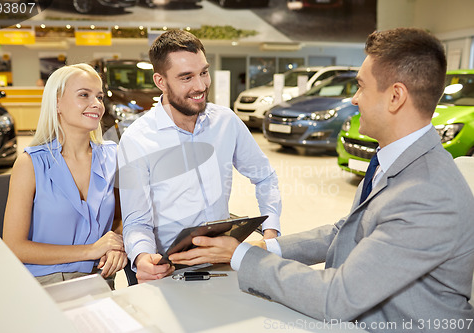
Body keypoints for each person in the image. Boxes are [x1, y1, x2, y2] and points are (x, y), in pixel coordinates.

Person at [170, 28, 474, 331]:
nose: (354, 100)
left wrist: (241, 256)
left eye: (361, 87)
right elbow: (346, 232)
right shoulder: (394, 160)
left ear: (396, 96)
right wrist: (267, 248)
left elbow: (336, 297)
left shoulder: (428, 194)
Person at [117, 29, 282, 283]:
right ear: (161, 81)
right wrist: (142, 257)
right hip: (171, 272)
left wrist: (270, 233)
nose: (201, 86)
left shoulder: (226, 121)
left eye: (204, 72)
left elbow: (265, 177)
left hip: (223, 263)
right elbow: (136, 220)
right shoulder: (137, 140)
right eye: (186, 77)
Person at [3, 63, 127, 288]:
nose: (96, 104)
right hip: (44, 285)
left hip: (99, 281)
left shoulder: (113, 156)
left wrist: (117, 244)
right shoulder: (30, 163)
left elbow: (121, 219)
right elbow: (14, 247)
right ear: (57, 103)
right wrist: (90, 250)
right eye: (84, 95)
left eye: (99, 96)